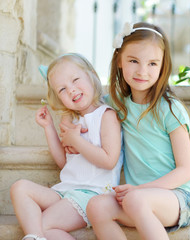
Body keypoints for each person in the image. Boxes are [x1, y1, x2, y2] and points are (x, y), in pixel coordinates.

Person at [79, 22, 190, 240]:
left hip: (178, 198)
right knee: (96, 206)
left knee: (135, 200)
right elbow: (87, 109)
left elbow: (185, 171)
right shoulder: (116, 104)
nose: (142, 71)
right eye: (133, 61)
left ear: (163, 67)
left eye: (152, 63)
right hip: (137, 198)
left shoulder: (169, 109)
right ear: (119, 61)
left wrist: (141, 189)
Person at [10, 53, 123, 240]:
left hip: (91, 194)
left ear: (92, 75)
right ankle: (35, 237)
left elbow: (109, 161)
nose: (71, 90)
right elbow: (64, 163)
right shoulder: (70, 119)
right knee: (19, 188)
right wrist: (48, 128)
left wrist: (77, 141)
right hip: (64, 190)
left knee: (41, 225)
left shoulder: (107, 116)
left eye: (75, 80)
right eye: (62, 89)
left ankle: (35, 237)